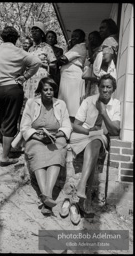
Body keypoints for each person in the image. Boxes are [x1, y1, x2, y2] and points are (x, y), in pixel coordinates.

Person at [60, 74, 121, 225]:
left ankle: (81, 188)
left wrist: (103, 112)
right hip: (84, 134)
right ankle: (84, 199)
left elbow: (115, 130)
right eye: (103, 86)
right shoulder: (88, 101)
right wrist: (88, 131)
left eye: (109, 87)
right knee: (94, 141)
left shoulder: (116, 103)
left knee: (96, 141)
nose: (105, 90)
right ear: (98, 87)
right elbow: (75, 124)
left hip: (99, 138)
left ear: (113, 89)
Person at [0, 26, 41, 167]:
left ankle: (1, 139)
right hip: (12, 88)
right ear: (16, 38)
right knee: (11, 121)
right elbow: (37, 62)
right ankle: (5, 157)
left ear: (2, 37)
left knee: (2, 116)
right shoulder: (19, 51)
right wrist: (25, 77)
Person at [20, 77, 72, 215]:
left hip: (56, 138)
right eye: (46, 89)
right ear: (40, 91)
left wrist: (58, 135)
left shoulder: (61, 104)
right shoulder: (32, 103)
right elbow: (24, 127)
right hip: (36, 138)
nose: (49, 92)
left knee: (57, 154)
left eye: (51, 89)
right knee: (37, 153)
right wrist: (38, 137)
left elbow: (67, 126)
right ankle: (48, 198)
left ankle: (45, 198)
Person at [58, 29, 87, 123]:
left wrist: (54, 62)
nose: (73, 38)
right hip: (69, 78)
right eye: (72, 36)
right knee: (66, 105)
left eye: (76, 36)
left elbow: (64, 59)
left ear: (82, 38)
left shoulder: (80, 46)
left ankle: (71, 127)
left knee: (71, 106)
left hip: (72, 78)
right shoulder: (74, 47)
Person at [24, 21, 57, 99]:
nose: (34, 32)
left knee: (40, 101)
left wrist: (42, 65)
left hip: (41, 79)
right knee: (30, 102)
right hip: (30, 79)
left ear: (42, 34)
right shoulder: (30, 49)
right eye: (32, 30)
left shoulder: (47, 48)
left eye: (37, 30)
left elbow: (54, 66)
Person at [84, 31, 103, 97]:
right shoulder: (93, 49)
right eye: (90, 39)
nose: (92, 40)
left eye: (93, 38)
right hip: (92, 77)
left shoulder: (101, 49)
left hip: (98, 75)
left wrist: (89, 46)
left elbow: (92, 59)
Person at [46, 30, 63, 96]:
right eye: (49, 37)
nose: (50, 38)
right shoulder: (41, 49)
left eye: (52, 37)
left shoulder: (59, 50)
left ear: (55, 39)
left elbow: (57, 62)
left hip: (55, 74)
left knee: (54, 93)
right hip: (44, 73)